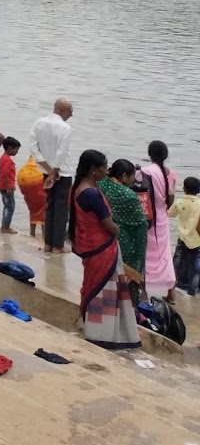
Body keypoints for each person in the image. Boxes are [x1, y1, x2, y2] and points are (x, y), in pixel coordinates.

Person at [69, 150, 141, 350]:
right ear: (93, 170)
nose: (107, 170)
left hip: (92, 248)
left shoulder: (79, 188)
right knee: (105, 290)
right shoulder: (91, 194)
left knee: (94, 286)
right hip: (101, 248)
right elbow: (109, 225)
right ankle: (102, 334)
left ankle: (96, 330)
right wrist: (119, 230)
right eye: (104, 167)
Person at [29, 99, 75, 253]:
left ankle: (48, 243)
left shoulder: (38, 123)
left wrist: (49, 171)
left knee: (49, 205)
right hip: (62, 172)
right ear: (61, 109)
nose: (71, 115)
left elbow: (34, 148)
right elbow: (62, 152)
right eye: (70, 111)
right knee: (61, 208)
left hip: (46, 171)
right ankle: (58, 245)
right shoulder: (65, 127)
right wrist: (54, 171)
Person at [139, 141, 178, 300]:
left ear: (150, 154)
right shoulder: (171, 174)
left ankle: (144, 291)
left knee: (145, 254)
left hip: (148, 217)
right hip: (162, 219)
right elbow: (170, 202)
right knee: (165, 255)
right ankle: (171, 292)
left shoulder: (144, 171)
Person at [99, 159, 147, 284]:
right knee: (125, 277)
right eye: (132, 176)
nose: (134, 180)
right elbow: (141, 224)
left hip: (102, 234)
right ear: (124, 176)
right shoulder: (128, 194)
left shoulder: (101, 183)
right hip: (124, 239)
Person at [171, 176, 200, 297]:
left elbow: (170, 214)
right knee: (196, 266)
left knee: (176, 263)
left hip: (182, 238)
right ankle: (192, 290)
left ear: (183, 188)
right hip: (197, 240)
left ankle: (171, 287)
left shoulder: (179, 202)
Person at [0, 137, 21, 235]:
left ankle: (5, 225)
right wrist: (8, 187)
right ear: (10, 148)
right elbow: (4, 174)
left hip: (3, 185)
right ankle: (5, 227)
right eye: (16, 150)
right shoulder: (8, 160)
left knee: (8, 205)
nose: (17, 152)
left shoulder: (3, 158)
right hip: (5, 187)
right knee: (9, 207)